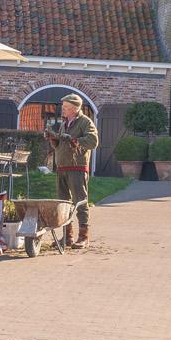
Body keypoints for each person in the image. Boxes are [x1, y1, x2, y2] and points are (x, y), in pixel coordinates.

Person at [46, 93, 99, 246]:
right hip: (62, 167)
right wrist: (54, 139)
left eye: (66, 108)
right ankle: (67, 236)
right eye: (63, 107)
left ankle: (84, 237)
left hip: (77, 168)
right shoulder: (64, 124)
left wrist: (75, 140)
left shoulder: (85, 122)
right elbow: (61, 145)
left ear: (75, 108)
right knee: (63, 203)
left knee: (80, 202)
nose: (63, 110)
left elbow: (93, 141)